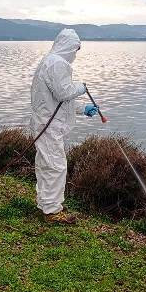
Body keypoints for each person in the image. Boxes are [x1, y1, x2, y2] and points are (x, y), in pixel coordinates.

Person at [30, 28, 99, 224]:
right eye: (76, 49)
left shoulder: (48, 61)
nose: (76, 54)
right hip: (48, 126)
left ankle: (47, 204)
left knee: (46, 165)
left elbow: (56, 100)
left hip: (44, 122)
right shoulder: (58, 64)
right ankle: (52, 212)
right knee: (55, 166)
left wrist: (82, 109)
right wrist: (81, 87)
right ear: (70, 46)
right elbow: (64, 92)